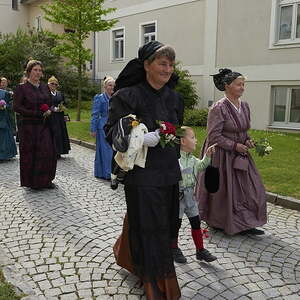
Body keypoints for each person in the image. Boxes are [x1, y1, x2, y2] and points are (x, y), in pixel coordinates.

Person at [104, 41, 184, 299]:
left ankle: (129, 256)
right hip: (143, 176)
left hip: (170, 173)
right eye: (162, 63)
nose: (168, 68)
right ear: (146, 65)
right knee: (152, 229)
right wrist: (139, 138)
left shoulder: (175, 97)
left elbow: (177, 128)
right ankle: (157, 285)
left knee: (166, 225)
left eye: (171, 64)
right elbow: (111, 134)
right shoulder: (128, 96)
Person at [196, 68, 267, 235]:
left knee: (251, 187)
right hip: (222, 155)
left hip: (240, 154)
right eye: (238, 84)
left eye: (243, 84)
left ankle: (247, 221)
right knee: (225, 190)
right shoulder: (218, 108)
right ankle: (221, 221)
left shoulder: (245, 106)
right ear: (227, 86)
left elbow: (243, 130)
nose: (242, 87)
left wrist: (248, 140)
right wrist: (234, 145)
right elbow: (213, 136)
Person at [172, 126, 217, 264]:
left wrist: (208, 156)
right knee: (176, 224)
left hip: (190, 196)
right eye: (192, 137)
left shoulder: (192, 160)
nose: (196, 140)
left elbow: (202, 165)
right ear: (183, 141)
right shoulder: (175, 159)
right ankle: (173, 248)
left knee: (196, 222)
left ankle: (200, 250)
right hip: (178, 197)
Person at [13, 60, 57, 189]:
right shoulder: (21, 88)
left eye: (39, 70)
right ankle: (33, 182)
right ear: (29, 72)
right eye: (35, 70)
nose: (38, 73)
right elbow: (16, 107)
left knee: (47, 152)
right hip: (28, 127)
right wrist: (35, 113)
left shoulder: (44, 87)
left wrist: (49, 109)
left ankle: (46, 180)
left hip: (44, 126)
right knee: (32, 154)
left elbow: (50, 102)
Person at [90, 76, 115, 180]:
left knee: (113, 150)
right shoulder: (99, 98)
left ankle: (112, 172)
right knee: (105, 151)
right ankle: (107, 173)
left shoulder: (116, 97)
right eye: (110, 85)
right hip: (103, 127)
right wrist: (93, 129)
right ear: (105, 86)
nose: (112, 87)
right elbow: (95, 114)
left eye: (114, 85)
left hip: (114, 126)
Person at [48, 76, 71, 158]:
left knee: (60, 133)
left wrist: (63, 109)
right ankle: (51, 151)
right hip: (51, 117)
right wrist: (53, 108)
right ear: (49, 84)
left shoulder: (60, 93)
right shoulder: (46, 94)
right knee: (52, 133)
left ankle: (59, 151)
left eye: (55, 84)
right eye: (52, 84)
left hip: (60, 116)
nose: (54, 85)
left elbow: (63, 103)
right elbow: (45, 104)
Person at [0, 88, 17, 160]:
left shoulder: (5, 93)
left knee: (4, 136)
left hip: (3, 117)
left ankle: (5, 155)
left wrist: (4, 106)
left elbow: (10, 105)